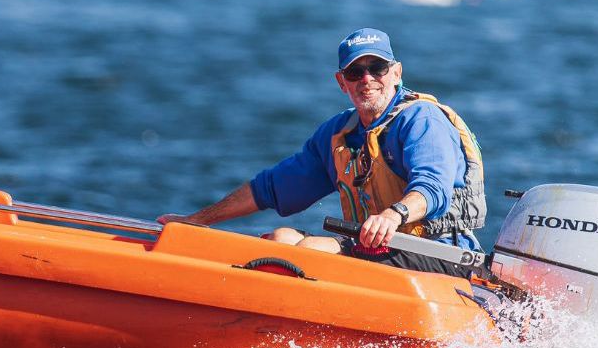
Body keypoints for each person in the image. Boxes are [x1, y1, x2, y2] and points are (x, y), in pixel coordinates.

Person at [158, 28, 487, 277]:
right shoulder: (338, 135)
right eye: (355, 72)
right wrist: (196, 221)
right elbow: (271, 188)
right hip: (377, 251)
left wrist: (393, 215)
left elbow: (433, 189)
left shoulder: (421, 120)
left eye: (378, 68)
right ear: (342, 82)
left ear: (397, 72)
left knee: (311, 249)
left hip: (443, 256)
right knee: (281, 238)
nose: (367, 79)